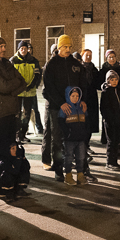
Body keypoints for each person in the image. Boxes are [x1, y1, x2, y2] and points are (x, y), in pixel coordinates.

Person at [42, 34, 85, 179]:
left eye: (69, 47)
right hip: (57, 108)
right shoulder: (51, 65)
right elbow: (49, 88)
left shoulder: (76, 65)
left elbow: (82, 84)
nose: (68, 49)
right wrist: (61, 103)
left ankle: (73, 166)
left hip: (74, 107)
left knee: (73, 137)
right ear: (59, 47)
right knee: (57, 138)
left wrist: (81, 101)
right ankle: (58, 168)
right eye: (65, 47)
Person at [0, 37, 27, 172]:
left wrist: (11, 93)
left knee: (11, 146)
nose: (4, 49)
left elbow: (23, 82)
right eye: (1, 46)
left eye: (4, 46)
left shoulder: (7, 64)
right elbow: (4, 86)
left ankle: (8, 176)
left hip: (11, 110)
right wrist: (12, 86)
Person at [97, 49, 120, 148]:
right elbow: (98, 82)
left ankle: (119, 144)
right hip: (108, 95)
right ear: (107, 58)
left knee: (119, 121)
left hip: (119, 94)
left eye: (113, 57)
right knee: (109, 122)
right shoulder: (103, 69)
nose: (112, 59)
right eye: (110, 57)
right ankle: (109, 145)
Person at [11, 40, 42, 142]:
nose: (23, 50)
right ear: (18, 49)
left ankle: (23, 134)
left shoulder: (34, 60)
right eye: (21, 48)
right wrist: (18, 86)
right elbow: (11, 76)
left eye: (25, 48)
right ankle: (17, 134)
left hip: (29, 92)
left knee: (27, 114)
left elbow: (37, 75)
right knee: (17, 113)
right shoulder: (13, 60)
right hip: (18, 92)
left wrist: (32, 85)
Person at [58, 86, 89, 185]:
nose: (75, 98)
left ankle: (80, 175)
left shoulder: (82, 107)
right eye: (73, 96)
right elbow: (61, 122)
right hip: (69, 139)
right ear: (68, 96)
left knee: (81, 157)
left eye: (77, 96)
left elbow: (87, 121)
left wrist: (85, 133)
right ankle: (68, 176)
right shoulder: (65, 109)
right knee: (69, 157)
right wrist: (67, 133)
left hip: (80, 138)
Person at [99, 69, 120, 170]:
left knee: (116, 142)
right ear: (108, 81)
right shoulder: (106, 92)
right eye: (112, 80)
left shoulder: (119, 91)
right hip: (110, 122)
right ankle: (109, 162)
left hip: (119, 121)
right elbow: (103, 108)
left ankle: (114, 161)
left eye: (115, 79)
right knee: (111, 142)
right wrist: (108, 119)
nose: (114, 82)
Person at [80, 48, 100, 154]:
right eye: (86, 55)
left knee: (90, 123)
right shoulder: (79, 68)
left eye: (90, 55)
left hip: (92, 99)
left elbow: (98, 83)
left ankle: (87, 144)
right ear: (82, 56)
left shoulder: (94, 69)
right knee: (82, 123)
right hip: (82, 99)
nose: (88, 57)